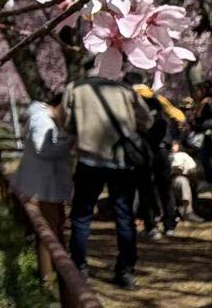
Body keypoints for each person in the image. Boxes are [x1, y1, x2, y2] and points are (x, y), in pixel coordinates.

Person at [64, 73, 153, 289]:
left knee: (82, 216)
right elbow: (147, 121)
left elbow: (67, 124)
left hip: (88, 160)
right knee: (124, 217)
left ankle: (79, 267)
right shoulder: (125, 90)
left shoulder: (75, 88)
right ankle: (125, 271)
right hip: (120, 162)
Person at [12, 94, 73, 287]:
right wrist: (70, 143)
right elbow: (42, 149)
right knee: (49, 231)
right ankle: (48, 279)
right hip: (43, 184)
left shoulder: (42, 118)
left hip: (44, 182)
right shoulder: (42, 120)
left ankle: (55, 274)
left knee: (51, 228)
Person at [125, 71, 183, 238]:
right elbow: (179, 116)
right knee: (165, 188)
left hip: (143, 149)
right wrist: (173, 138)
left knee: (146, 188)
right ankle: (170, 225)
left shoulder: (130, 100)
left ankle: (151, 227)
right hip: (162, 148)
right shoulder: (158, 98)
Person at [171, 143, 201, 223]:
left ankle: (188, 212)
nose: (172, 146)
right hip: (165, 180)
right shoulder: (164, 154)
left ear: (178, 145)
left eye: (174, 144)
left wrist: (184, 170)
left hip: (180, 178)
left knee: (182, 181)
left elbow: (193, 168)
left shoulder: (183, 155)